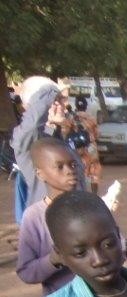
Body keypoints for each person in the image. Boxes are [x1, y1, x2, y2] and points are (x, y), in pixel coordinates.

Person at [16, 136, 81, 294]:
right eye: (59, 167)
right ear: (40, 174)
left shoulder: (92, 206)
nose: (69, 171)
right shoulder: (34, 217)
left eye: (73, 164)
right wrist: (53, 260)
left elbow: (119, 248)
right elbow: (26, 272)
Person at [12, 77, 85, 212]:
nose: (63, 105)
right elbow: (32, 126)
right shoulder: (28, 143)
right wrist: (51, 90)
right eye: (56, 100)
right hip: (48, 225)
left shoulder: (57, 137)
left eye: (62, 99)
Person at [62, 95, 101, 194]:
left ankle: (82, 194)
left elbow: (65, 134)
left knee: (80, 169)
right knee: (94, 171)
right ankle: (94, 195)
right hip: (91, 148)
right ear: (86, 105)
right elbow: (97, 134)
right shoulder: (91, 118)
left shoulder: (71, 118)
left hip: (77, 148)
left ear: (75, 105)